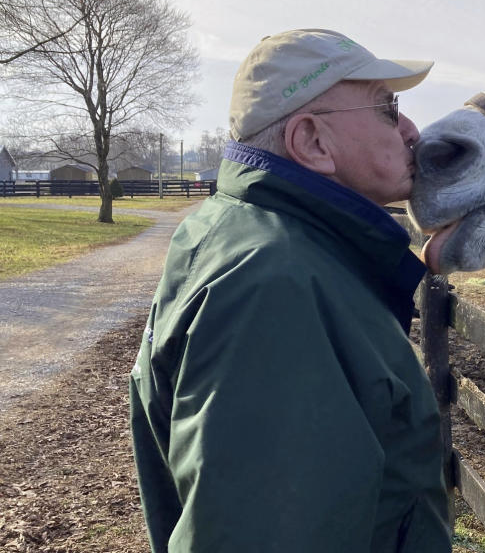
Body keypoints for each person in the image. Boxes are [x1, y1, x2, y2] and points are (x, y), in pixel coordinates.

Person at [129, 29, 452, 552]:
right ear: (312, 143)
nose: (412, 129)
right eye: (388, 108)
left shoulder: (259, 241)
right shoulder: (273, 290)